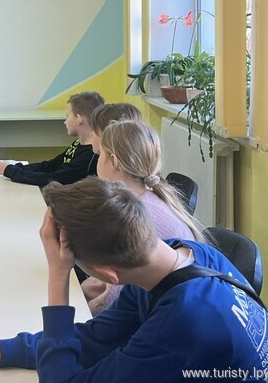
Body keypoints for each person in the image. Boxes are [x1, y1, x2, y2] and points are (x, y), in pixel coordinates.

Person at [0, 177, 268, 382]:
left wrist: (58, 275)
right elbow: (97, 338)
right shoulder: (180, 256)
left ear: (109, 275)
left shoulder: (182, 324)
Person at [80, 119, 205, 313]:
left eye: (100, 154)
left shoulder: (132, 217)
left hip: (163, 311)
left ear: (113, 161)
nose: (97, 159)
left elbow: (114, 302)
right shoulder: (148, 195)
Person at [0, 91, 103, 186]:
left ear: (79, 119)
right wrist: (17, 167)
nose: (65, 121)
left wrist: (12, 171)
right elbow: (51, 165)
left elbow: (53, 179)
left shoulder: (90, 156)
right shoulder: (78, 143)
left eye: (68, 116)